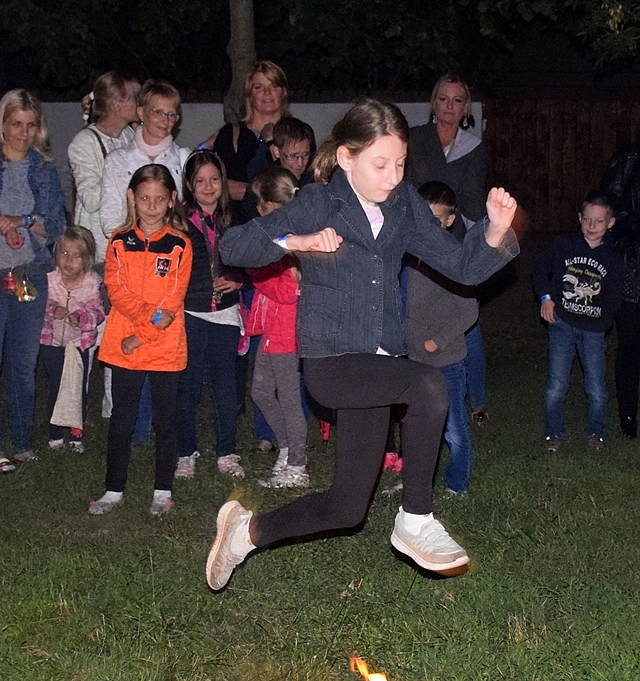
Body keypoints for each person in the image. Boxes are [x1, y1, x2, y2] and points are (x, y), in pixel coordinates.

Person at [205, 99, 518, 591]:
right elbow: (233, 247)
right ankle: (416, 518)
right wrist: (298, 241)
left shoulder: (404, 205)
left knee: (346, 507)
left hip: (379, 361)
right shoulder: (319, 200)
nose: (393, 176)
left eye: (400, 163)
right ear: (347, 157)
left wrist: (496, 230)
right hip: (332, 360)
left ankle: (245, 532)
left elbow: (462, 267)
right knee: (430, 385)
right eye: (380, 164)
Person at [0, 88, 66, 472]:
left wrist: (27, 222)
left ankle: (21, 443)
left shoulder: (43, 167)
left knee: (23, 365)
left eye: (30, 125)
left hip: (29, 276)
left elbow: (56, 224)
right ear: (2, 123)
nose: (22, 132)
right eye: (15, 124)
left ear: (38, 127)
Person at [89, 165, 192, 516]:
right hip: (124, 346)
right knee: (122, 418)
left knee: (166, 419)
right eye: (144, 198)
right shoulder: (119, 240)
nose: (151, 206)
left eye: (159, 199)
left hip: (164, 347)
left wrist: (144, 335)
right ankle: (113, 489)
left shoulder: (180, 244)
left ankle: (162, 491)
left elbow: (173, 303)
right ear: (132, 197)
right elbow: (116, 290)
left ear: (171, 201)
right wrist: (143, 325)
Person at [407, 75, 488, 425]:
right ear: (433, 103)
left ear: (466, 107)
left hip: (455, 238)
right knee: (413, 313)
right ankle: (413, 391)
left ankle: (478, 400)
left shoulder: (474, 146)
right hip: (414, 241)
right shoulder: (414, 138)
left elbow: (473, 200)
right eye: (443, 99)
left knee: (466, 320)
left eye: (457, 100)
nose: (450, 107)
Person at [174, 151, 245, 480]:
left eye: (214, 179)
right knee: (187, 386)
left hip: (226, 312)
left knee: (225, 386)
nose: (208, 186)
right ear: (189, 185)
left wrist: (240, 280)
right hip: (191, 311)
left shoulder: (236, 218)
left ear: (224, 182)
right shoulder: (178, 223)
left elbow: (253, 259)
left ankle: (227, 452)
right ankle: (185, 451)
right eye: (200, 180)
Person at [535, 191, 623, 453]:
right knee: (556, 386)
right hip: (562, 325)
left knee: (596, 388)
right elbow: (540, 272)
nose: (592, 226)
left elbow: (615, 295)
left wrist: (603, 322)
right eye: (587, 219)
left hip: (594, 332)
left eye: (599, 221)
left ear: (610, 223)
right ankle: (553, 433)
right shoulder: (564, 244)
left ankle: (596, 432)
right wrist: (546, 298)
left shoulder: (613, 257)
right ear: (580, 218)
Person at [405, 182, 479, 496]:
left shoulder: (453, 259)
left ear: (449, 220)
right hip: (412, 359)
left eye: (435, 220)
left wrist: (438, 340)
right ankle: (413, 479)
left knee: (452, 425)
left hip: (445, 360)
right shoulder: (407, 254)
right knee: (414, 422)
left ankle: (457, 482)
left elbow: (468, 311)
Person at [246, 165, 308, 488]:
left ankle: (297, 465)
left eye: (261, 203)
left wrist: (255, 272)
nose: (258, 210)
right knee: (259, 391)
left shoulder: (291, 242)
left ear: (273, 205)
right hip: (271, 333)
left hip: (287, 337)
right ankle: (286, 447)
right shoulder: (277, 239)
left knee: (289, 399)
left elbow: (288, 290)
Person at [39, 226, 105, 453]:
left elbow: (98, 311)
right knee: (57, 386)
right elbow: (38, 304)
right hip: (52, 343)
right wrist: (52, 310)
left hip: (78, 345)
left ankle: (77, 435)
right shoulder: (49, 280)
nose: (69, 261)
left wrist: (82, 317)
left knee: (77, 387)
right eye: (64, 254)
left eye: (76, 256)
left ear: (86, 259)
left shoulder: (91, 282)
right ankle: (55, 434)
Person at [100, 79, 189, 238]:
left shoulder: (184, 159)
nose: (165, 120)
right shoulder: (118, 160)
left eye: (171, 114)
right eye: (158, 112)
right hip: (129, 251)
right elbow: (109, 220)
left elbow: (191, 217)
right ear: (141, 113)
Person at [67, 71, 140, 265]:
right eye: (133, 97)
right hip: (98, 250)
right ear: (117, 105)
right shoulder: (84, 142)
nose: (138, 103)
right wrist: (120, 168)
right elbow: (90, 200)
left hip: (126, 245)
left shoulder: (129, 136)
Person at [206, 61, 290, 204]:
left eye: (274, 86)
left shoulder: (298, 133)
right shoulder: (230, 134)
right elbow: (221, 186)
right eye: (259, 87)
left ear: (283, 92)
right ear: (250, 95)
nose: (267, 92)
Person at [601, 143, 640, 437]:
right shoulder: (628, 158)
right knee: (630, 344)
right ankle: (628, 415)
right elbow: (608, 208)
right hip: (634, 262)